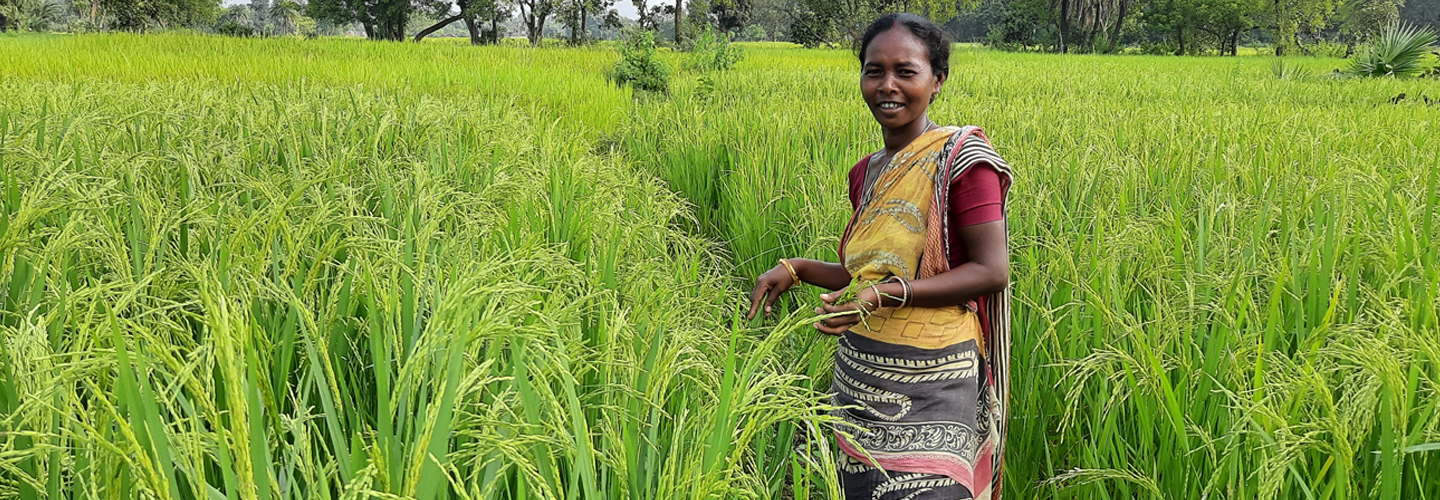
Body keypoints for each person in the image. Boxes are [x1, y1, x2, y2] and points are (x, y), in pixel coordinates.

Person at [746, 13, 1015, 500]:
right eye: (874, 70)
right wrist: (798, 269)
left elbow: (991, 271)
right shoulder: (866, 172)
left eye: (906, 71)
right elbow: (860, 276)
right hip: (860, 376)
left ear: (938, 81)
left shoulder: (964, 162)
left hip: (936, 381)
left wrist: (890, 295)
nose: (887, 85)